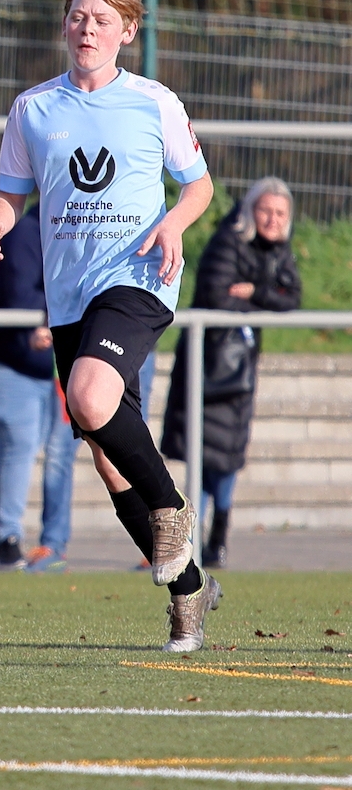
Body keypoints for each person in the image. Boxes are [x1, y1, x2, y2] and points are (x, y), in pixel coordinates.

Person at [0, 0, 220, 651]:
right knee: (108, 458)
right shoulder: (32, 109)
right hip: (69, 294)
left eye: (103, 20)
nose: (88, 29)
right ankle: (190, 590)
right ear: (66, 25)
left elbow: (199, 187)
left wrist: (173, 224)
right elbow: (12, 193)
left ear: (127, 32)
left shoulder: (154, 102)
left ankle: (171, 509)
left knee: (88, 396)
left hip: (137, 276)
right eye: (79, 17)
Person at [161, 177, 301, 569]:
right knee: (204, 457)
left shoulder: (279, 251)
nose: (272, 220)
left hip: (241, 372)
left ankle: (217, 536)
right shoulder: (227, 242)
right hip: (209, 369)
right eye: (266, 210)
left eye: (280, 213)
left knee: (228, 457)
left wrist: (254, 291)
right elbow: (218, 296)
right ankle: (190, 540)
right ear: (250, 211)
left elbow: (292, 297)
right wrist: (263, 300)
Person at [0, 204, 79, 573]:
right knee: (19, 442)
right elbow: (20, 293)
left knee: (23, 445)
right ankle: (3, 536)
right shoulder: (25, 233)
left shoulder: (57, 230)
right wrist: (61, 308)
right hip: (6, 356)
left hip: (37, 362)